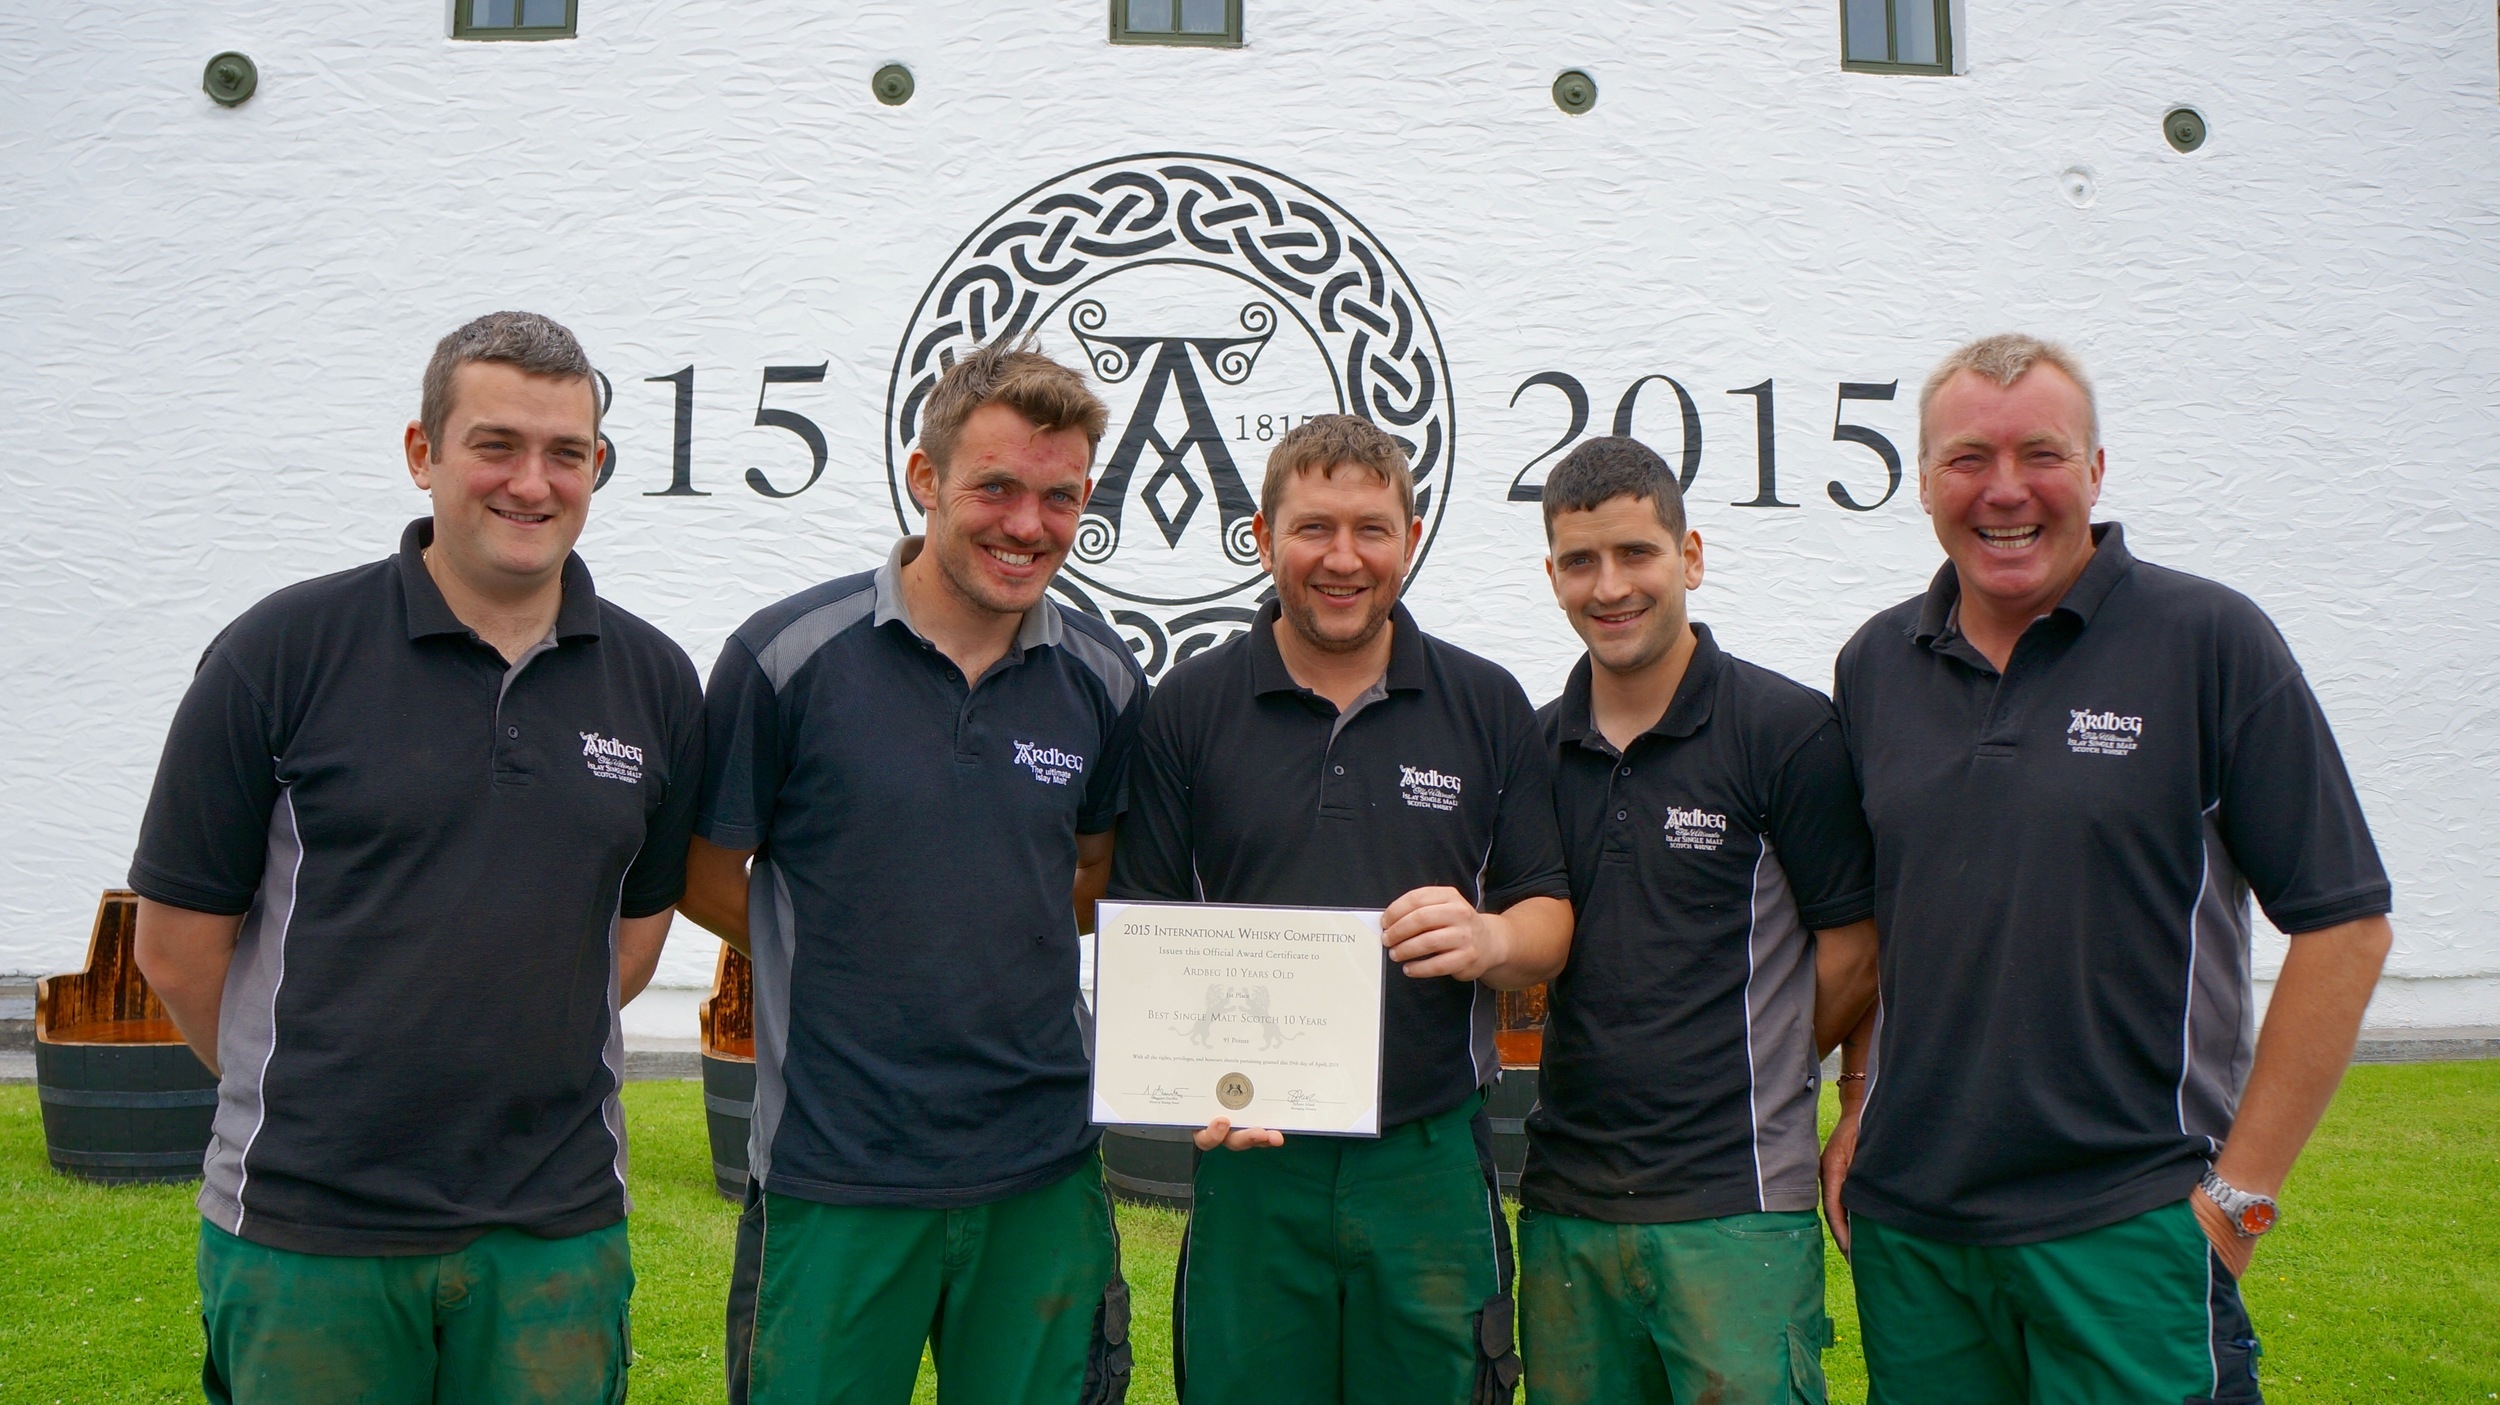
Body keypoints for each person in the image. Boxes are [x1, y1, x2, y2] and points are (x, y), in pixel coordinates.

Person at [128, 311, 703, 1402]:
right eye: (495, 445)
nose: (531, 483)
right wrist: (319, 1092)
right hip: (309, 1228)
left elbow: (624, 945)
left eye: (566, 453)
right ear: (422, 454)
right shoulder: (280, 653)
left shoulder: (654, 680)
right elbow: (177, 948)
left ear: (593, 468)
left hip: (555, 1232)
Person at [1826, 334, 2395, 1403]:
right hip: (1915, 1236)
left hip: (2128, 1222)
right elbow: (1876, 925)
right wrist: (1857, 1096)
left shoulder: (2208, 640)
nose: (2004, 490)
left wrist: (2239, 1201)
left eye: (2038, 453)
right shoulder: (1873, 664)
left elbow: (2346, 925)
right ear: (1922, 482)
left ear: (2093, 470)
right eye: (1965, 459)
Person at [680, 339, 1146, 1405]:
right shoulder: (786, 657)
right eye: (996, 487)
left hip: (1041, 1166)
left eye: (1059, 497)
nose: (1027, 526)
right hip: (835, 1167)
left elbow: (1090, 872)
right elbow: (706, 874)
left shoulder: (1104, 676)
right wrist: (850, 950)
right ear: (925, 479)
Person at [1106, 414, 1575, 1405]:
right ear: (1262, 536)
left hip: (1427, 1154)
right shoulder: (1187, 708)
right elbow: (1143, 924)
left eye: (1371, 528)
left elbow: (1547, 918)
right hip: (1251, 1158)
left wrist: (1488, 936)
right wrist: (1185, 1076)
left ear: (1410, 534)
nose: (1342, 558)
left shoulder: (1486, 703)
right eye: (1312, 527)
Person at [1517, 436, 1881, 1404]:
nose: (1610, 585)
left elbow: (1856, 951)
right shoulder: (1535, 746)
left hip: (1738, 1205)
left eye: (1637, 552)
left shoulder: (1787, 731)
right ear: (1551, 573)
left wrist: (1752, 1064)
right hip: (1565, 1203)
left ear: (1692, 555)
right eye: (1581, 560)